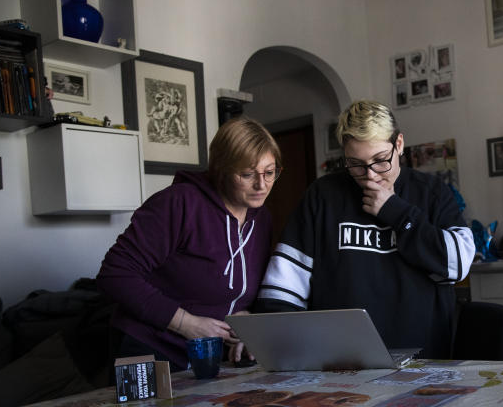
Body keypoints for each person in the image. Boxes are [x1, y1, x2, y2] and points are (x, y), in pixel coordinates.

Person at [254, 99, 475, 358]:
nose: (370, 176)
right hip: (339, 362)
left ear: (399, 144)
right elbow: (281, 290)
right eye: (356, 164)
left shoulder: (432, 192)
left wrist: (396, 212)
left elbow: (458, 265)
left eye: (381, 160)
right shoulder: (322, 196)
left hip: (424, 361)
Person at [97, 117, 281, 370]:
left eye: (269, 172)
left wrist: (249, 322)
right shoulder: (179, 203)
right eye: (247, 174)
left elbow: (246, 288)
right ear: (221, 170)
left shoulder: (261, 218)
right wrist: (186, 323)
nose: (262, 185)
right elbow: (115, 274)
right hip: (151, 347)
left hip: (209, 356)